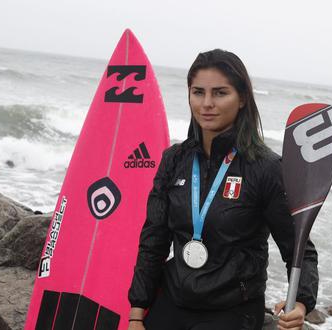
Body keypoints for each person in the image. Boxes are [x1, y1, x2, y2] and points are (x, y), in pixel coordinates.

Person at [127, 49, 318, 330]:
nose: (206, 104)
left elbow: (299, 249)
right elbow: (154, 240)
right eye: (198, 92)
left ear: (242, 99)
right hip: (174, 299)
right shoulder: (174, 160)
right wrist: (137, 311)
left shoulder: (266, 168)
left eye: (219, 93)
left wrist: (300, 302)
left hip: (232, 309)